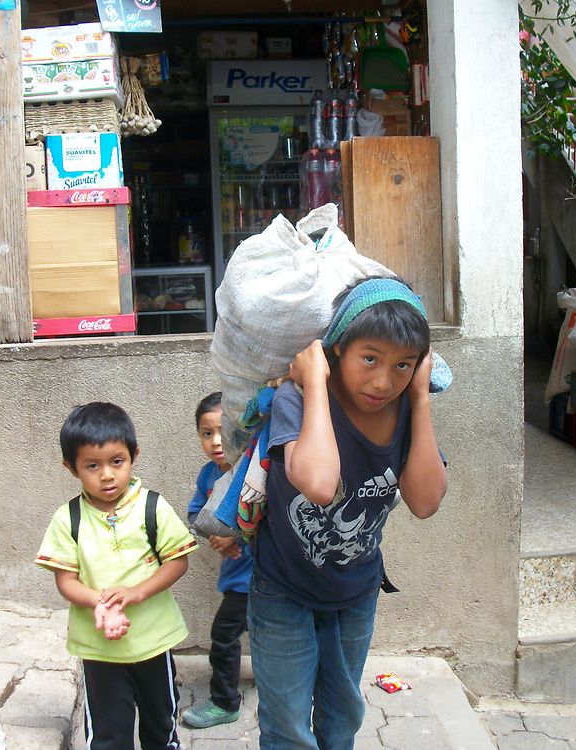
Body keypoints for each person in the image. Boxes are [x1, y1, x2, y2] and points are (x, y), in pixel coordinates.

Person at [248, 276, 448, 750]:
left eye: (403, 366)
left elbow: (425, 501)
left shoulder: (405, 410)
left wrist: (419, 400)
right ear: (336, 349)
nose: (384, 381)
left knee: (342, 720)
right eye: (370, 358)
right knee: (287, 728)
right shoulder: (296, 401)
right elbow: (318, 485)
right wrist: (315, 382)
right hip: (283, 589)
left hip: (356, 592)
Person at [35, 401, 197, 750]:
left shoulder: (153, 506)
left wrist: (137, 593)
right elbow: (66, 581)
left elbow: (177, 562)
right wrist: (100, 601)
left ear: (134, 455)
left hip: (153, 642)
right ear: (71, 468)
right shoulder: (69, 519)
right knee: (109, 735)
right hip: (99, 651)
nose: (107, 474)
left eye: (116, 462)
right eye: (92, 465)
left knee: (161, 727)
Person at [181, 392, 254, 729]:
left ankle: (225, 701)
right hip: (236, 578)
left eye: (224, 430)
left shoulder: (255, 468)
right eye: (207, 433)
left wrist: (236, 535)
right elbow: (196, 513)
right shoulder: (208, 475)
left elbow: (271, 515)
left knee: (224, 637)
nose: (216, 441)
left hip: (262, 577)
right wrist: (212, 535)